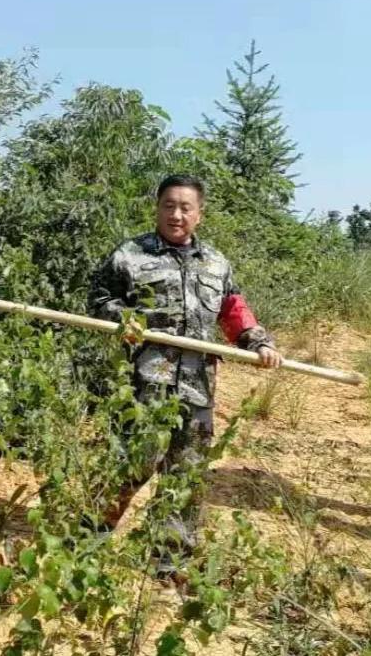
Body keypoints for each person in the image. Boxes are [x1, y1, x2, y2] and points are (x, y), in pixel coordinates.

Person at [89, 174, 282, 567]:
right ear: (158, 208)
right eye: (168, 206)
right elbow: (98, 297)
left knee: (187, 472)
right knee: (134, 461)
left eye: (185, 208)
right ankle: (91, 534)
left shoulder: (216, 262)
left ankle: (170, 559)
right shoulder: (130, 254)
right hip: (144, 383)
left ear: (200, 214)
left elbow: (232, 310)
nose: (176, 215)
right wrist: (121, 317)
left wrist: (257, 341)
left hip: (197, 386)